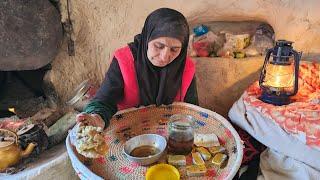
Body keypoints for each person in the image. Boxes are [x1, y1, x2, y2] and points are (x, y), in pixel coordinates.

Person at [76, 8, 198, 129]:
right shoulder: (125, 60)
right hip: (128, 133)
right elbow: (105, 100)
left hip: (170, 133)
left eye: (174, 49)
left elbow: (192, 110)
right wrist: (97, 117)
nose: (164, 56)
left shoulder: (186, 67)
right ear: (147, 38)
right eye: (159, 46)